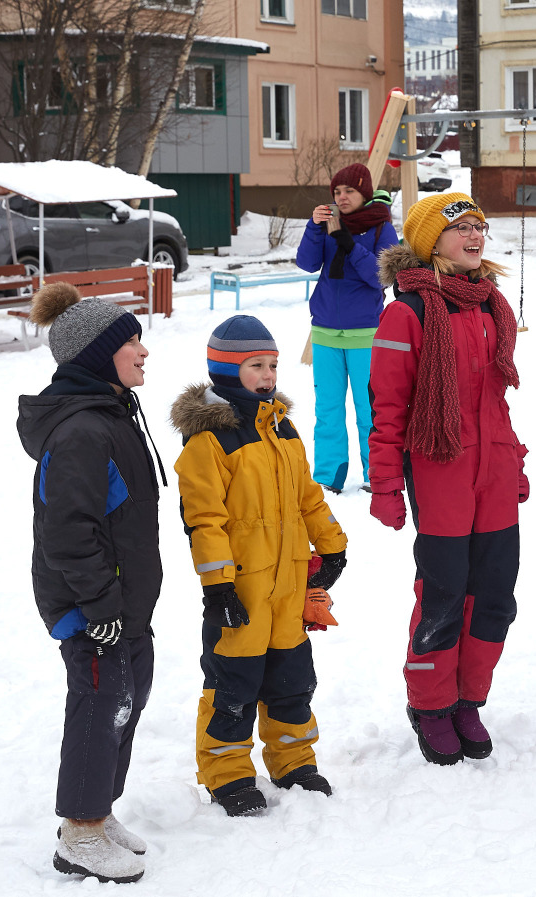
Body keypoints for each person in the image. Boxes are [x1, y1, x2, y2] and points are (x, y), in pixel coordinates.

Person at [369, 192, 527, 766]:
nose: (475, 235)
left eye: (481, 226)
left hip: (494, 474)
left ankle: (468, 700)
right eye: (461, 227)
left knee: (494, 596)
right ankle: (431, 704)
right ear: (430, 240)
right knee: (441, 595)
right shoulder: (406, 313)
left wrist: (516, 461)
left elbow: (496, 402)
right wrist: (386, 484)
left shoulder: (491, 307)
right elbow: (387, 409)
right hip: (440, 473)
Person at [171, 315, 349, 816]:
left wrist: (332, 544)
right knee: (233, 685)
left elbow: (308, 496)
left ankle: (294, 761)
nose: (269, 374)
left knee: (292, 681)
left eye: (272, 364)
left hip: (290, 586)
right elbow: (203, 520)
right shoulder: (210, 441)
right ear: (227, 370)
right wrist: (217, 586)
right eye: (256, 365)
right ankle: (226, 773)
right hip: (242, 592)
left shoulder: (282, 428)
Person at [17, 283, 165, 884]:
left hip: (121, 599)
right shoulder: (82, 431)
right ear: (98, 356)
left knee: (128, 700)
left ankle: (97, 814)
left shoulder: (110, 412)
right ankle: (79, 830)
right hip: (92, 604)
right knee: (101, 704)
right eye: (131, 341)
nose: (143, 350)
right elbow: (69, 531)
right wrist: (99, 605)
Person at [295, 162, 400, 493]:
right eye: (337, 191)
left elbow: (381, 276)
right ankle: (328, 477)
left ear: (364, 193)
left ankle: (377, 475)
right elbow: (308, 263)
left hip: (366, 335)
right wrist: (315, 229)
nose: (341, 197)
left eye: (349, 191)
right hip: (325, 332)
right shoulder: (328, 225)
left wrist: (349, 244)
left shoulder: (381, 228)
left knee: (369, 411)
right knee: (326, 411)